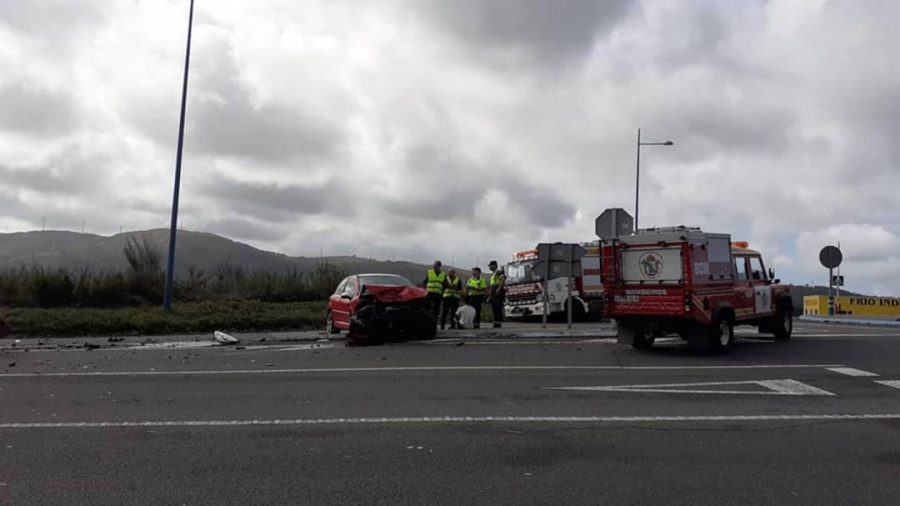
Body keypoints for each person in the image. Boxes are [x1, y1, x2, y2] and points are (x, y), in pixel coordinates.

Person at [488, 260, 506, 329]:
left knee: (497, 307)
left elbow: (502, 279)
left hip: (498, 291)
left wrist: (499, 288)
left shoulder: (498, 272)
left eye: (490, 266)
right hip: (494, 291)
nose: (489, 267)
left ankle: (498, 322)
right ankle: (496, 322)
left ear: (494, 266)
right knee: (494, 307)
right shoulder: (493, 274)